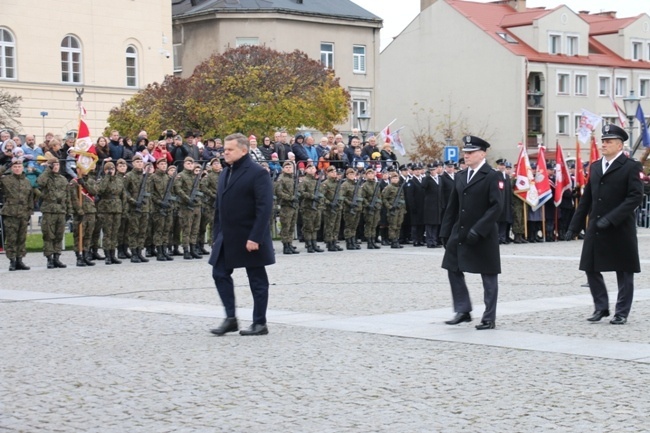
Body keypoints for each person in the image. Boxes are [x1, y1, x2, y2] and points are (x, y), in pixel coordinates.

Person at [566, 124, 644, 325]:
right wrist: (574, 226)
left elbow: (635, 197)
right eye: (603, 141)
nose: (604, 144)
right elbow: (587, 199)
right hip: (597, 226)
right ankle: (601, 307)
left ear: (619, 145)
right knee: (590, 267)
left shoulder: (630, 166)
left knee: (624, 270)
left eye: (608, 141)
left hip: (620, 227)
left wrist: (612, 218)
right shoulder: (595, 166)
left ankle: (622, 312)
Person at [209, 133, 275, 336]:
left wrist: (255, 237)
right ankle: (230, 318)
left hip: (250, 235)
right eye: (224, 149)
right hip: (227, 235)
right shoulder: (225, 172)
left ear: (244, 150)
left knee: (256, 279)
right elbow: (219, 206)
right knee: (219, 273)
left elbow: (264, 208)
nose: (225, 153)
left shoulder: (257, 173)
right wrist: (216, 235)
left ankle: (259, 322)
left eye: (230, 150)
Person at [439, 136, 504, 330]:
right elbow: (453, 206)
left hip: (483, 234)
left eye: (470, 152)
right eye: (465, 152)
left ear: (482, 154)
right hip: (460, 232)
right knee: (453, 267)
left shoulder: (492, 175)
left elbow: (496, 207)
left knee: (489, 276)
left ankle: (489, 317)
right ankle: (463, 310)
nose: (466, 156)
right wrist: (445, 232)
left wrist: (479, 229)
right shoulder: (460, 176)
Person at [0, 157, 36, 271]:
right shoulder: (6, 180)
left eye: (19, 166)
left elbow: (30, 197)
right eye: (15, 167)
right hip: (11, 212)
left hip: (23, 212)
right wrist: (5, 166)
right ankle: (12, 261)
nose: (17, 169)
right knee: (11, 238)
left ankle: (20, 259)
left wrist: (30, 211)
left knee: (21, 238)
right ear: (12, 168)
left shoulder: (26, 181)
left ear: (22, 168)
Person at [37, 158, 71, 268]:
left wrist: (69, 210)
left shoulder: (63, 179)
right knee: (48, 235)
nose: (56, 166)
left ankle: (57, 257)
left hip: (60, 209)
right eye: (53, 164)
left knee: (59, 235)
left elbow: (67, 196)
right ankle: (49, 258)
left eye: (57, 164)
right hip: (49, 209)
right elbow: (40, 182)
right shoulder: (46, 177)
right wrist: (48, 170)